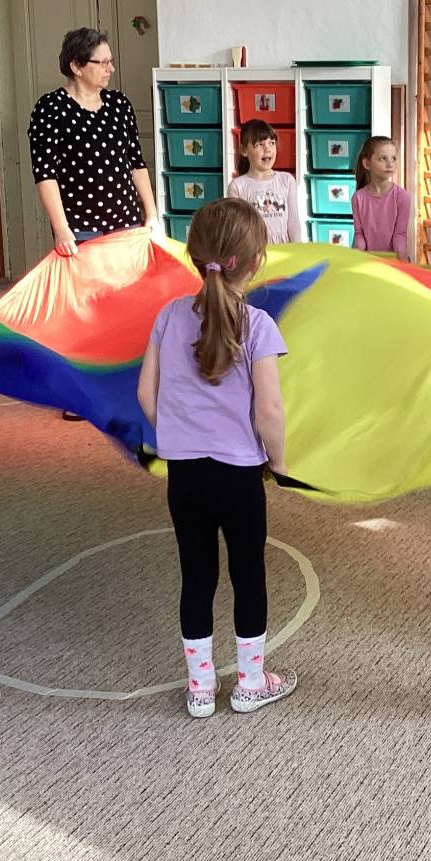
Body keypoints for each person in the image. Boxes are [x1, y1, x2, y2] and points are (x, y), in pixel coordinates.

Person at [137, 198, 296, 718]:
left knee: (196, 575)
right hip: (239, 478)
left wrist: (176, 435)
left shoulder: (169, 316)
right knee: (248, 573)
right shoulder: (259, 325)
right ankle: (251, 683)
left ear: (193, 255)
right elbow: (269, 409)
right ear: (256, 262)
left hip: (185, 476)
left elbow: (146, 395)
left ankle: (200, 689)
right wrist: (279, 463)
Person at [28, 27, 159, 258]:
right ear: (76, 66)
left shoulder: (120, 103)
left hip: (126, 220)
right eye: (103, 63)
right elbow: (45, 174)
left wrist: (151, 215)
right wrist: (61, 229)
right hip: (80, 227)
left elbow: (136, 163)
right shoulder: (51, 107)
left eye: (111, 61)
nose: (111, 69)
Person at [228, 120, 303, 244]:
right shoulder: (237, 186)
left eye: (271, 143)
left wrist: (297, 248)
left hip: (284, 249)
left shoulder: (287, 180)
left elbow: (293, 221)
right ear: (244, 150)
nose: (267, 149)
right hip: (253, 249)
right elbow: (237, 228)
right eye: (259, 144)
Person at [351, 135, 411, 262]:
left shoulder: (402, 197)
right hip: (369, 262)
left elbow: (399, 235)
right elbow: (359, 234)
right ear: (367, 164)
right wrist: (356, 255)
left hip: (394, 261)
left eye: (393, 158)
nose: (390, 164)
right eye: (383, 158)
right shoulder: (358, 198)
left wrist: (403, 260)